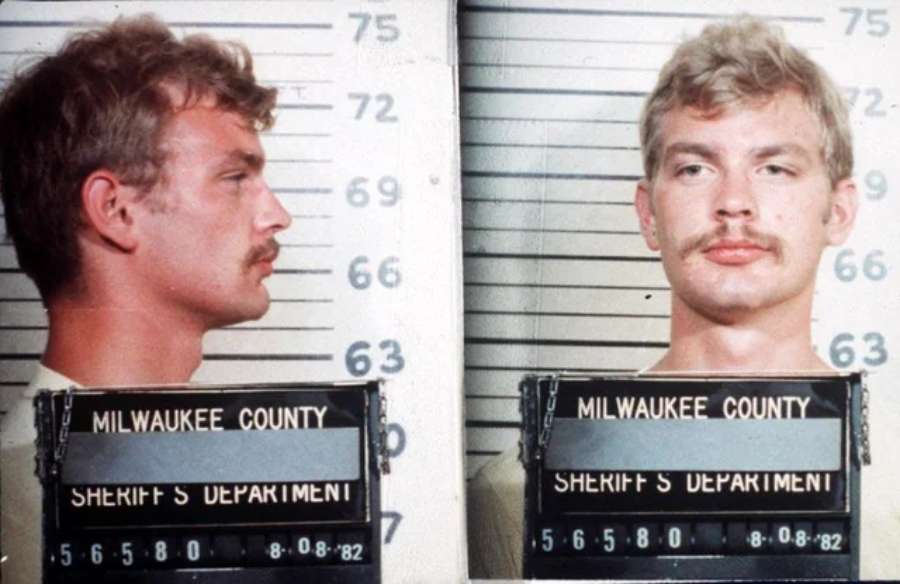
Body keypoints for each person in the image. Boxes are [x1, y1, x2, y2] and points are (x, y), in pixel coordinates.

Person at [468, 15, 857, 579]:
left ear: (838, 212)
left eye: (774, 168)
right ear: (649, 214)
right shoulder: (518, 492)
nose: (734, 202)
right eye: (695, 168)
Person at [0, 15, 291, 582]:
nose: (277, 215)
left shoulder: (241, 474)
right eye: (235, 177)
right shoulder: (17, 503)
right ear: (115, 210)